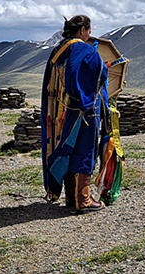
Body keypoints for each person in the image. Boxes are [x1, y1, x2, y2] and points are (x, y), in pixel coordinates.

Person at [41, 15, 109, 213]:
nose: (89, 34)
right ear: (82, 30)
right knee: (84, 151)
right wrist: (101, 69)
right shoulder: (81, 48)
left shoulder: (60, 48)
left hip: (60, 111)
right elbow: (88, 74)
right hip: (82, 111)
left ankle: (71, 197)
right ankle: (83, 199)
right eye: (88, 30)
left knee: (69, 149)